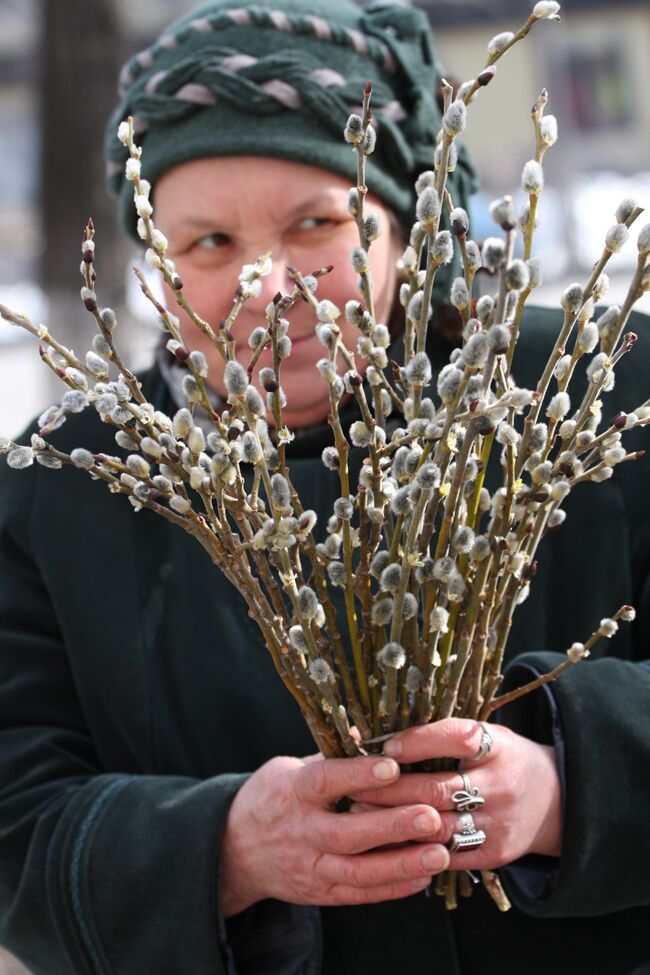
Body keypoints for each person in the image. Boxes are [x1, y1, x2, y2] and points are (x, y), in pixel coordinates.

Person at [1, 1, 649, 973]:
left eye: (315, 224)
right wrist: (225, 847)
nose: (265, 285)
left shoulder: (588, 394)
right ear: (154, 268)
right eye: (207, 245)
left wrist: (572, 786)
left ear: (400, 226)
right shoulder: (65, 491)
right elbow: (16, 817)